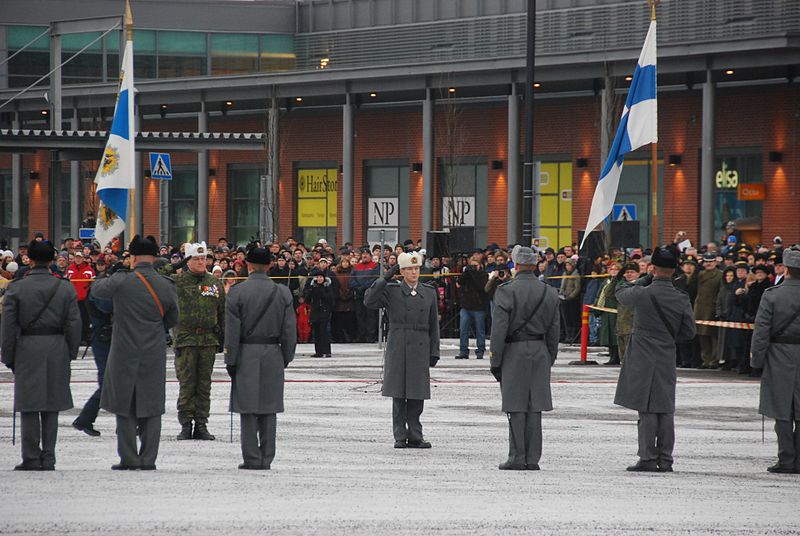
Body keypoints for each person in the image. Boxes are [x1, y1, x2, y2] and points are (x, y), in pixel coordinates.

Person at [91, 235, 179, 471]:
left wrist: (114, 271)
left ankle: (129, 458)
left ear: (133, 257)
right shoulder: (165, 284)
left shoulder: (121, 281)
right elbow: (173, 318)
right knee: (152, 405)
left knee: (125, 404)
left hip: (124, 351)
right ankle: (148, 458)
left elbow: (96, 290)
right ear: (154, 258)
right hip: (153, 352)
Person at [614, 246, 696, 472]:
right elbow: (689, 332)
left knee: (647, 407)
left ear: (654, 268)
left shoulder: (643, 293)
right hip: (667, 353)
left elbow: (620, 291)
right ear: (674, 270)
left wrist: (645, 279)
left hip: (642, 355)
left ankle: (649, 457)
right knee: (665, 407)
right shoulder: (681, 297)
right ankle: (666, 458)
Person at [0, 240, 81, 471]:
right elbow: (74, 323)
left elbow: (7, 326)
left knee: (29, 404)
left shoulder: (17, 288)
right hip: (57, 345)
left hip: (27, 346)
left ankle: (31, 457)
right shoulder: (64, 287)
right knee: (51, 404)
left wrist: (8, 355)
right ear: (52, 260)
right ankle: (49, 457)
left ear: (30, 260)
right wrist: (71, 351)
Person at [224, 244, 296, 470]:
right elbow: (289, 331)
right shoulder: (282, 292)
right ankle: (267, 457)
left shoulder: (237, 292)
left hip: (246, 352)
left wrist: (231, 360)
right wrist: (285, 356)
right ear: (270, 265)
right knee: (269, 406)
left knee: (247, 408)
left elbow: (232, 332)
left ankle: (251, 458)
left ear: (248, 264)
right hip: (273, 352)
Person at [489, 245, 560, 470]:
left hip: (514, 351)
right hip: (540, 350)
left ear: (516, 266)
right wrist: (549, 356)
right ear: (535, 265)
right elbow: (554, 330)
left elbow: (499, 330)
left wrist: (495, 361)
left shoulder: (506, 291)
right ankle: (533, 458)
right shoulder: (549, 291)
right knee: (535, 406)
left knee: (516, 405)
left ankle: (517, 456)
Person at [364, 251, 440, 449]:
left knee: (417, 393)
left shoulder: (428, 292)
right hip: (398, 343)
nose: (414, 272)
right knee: (398, 393)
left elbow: (434, 325)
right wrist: (386, 277)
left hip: (420, 344)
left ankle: (415, 434)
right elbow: (369, 300)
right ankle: (399, 435)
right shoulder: (391, 290)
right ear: (402, 271)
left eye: (416, 268)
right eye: (409, 269)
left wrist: (434, 351)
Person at [750, 245, 800, 474]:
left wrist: (756, 361)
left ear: (786, 268)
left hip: (779, 354)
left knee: (781, 410)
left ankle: (787, 459)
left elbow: (761, 331)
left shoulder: (772, 294)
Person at [168, 242, 226, 441]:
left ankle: (201, 423)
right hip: (186, 339)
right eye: (196, 259)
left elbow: (222, 312)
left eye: (204, 258)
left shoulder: (214, 282)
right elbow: (156, 273)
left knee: (204, 384)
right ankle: (186, 423)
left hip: (208, 339)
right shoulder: (177, 281)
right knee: (186, 383)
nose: (202, 262)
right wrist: (174, 266)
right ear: (187, 261)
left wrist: (224, 339)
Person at [71, 279, 114, 437]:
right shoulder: (98, 295)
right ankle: (84, 419)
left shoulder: (97, 292)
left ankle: (85, 420)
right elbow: (107, 307)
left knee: (115, 382)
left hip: (105, 338)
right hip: (104, 339)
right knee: (107, 383)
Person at [455, 258, 489, 359]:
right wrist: (466, 272)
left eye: (475, 266)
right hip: (466, 306)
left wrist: (474, 273)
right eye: (471, 266)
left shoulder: (483, 275)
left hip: (479, 306)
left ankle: (480, 351)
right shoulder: (467, 274)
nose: (472, 268)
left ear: (479, 266)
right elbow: (459, 282)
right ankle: (463, 351)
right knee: (463, 329)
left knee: (480, 330)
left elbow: (481, 286)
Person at [695, 253, 722, 369]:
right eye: (706, 261)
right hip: (700, 308)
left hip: (711, 307)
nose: (709, 264)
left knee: (713, 335)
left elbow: (721, 292)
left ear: (716, 262)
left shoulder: (719, 275)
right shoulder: (700, 274)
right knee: (702, 336)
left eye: (711, 261)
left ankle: (714, 359)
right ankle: (705, 359)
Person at [305, 268, 335, 357]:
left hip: (324, 312)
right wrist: (311, 291)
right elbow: (308, 299)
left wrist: (321, 291)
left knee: (324, 332)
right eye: (317, 277)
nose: (319, 279)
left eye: (321, 277)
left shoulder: (327, 287)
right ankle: (318, 351)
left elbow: (330, 299)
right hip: (315, 312)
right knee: (316, 333)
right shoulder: (312, 287)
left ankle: (327, 351)